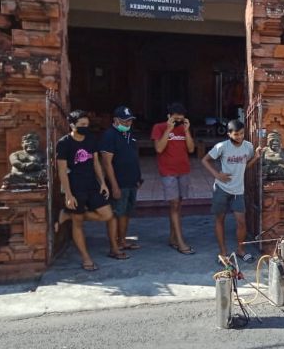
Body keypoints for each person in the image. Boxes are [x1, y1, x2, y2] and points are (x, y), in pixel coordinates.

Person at [56, 110, 128, 271]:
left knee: (107, 214)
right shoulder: (64, 143)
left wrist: (102, 182)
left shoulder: (91, 139)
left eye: (87, 125)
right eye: (81, 125)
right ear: (72, 125)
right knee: (78, 223)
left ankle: (68, 215)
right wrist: (68, 194)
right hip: (75, 187)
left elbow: (96, 162)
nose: (85, 128)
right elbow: (61, 171)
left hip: (92, 185)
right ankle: (86, 258)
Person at [201, 120, 265, 262]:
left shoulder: (248, 147)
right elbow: (205, 160)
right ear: (229, 134)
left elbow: (244, 167)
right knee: (220, 220)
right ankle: (223, 253)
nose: (239, 137)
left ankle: (241, 250)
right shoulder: (222, 147)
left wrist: (255, 157)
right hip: (221, 189)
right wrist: (217, 175)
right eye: (236, 134)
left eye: (242, 133)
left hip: (238, 191)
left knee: (241, 222)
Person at [151, 102, 195, 255]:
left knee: (178, 205)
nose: (178, 122)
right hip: (168, 171)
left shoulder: (183, 128)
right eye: (175, 119)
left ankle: (172, 237)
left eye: (181, 120)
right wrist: (168, 130)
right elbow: (159, 148)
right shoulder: (159, 127)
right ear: (168, 117)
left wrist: (187, 131)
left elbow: (191, 149)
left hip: (183, 170)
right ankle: (180, 240)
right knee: (174, 203)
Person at [100, 106, 143, 251]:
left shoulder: (131, 134)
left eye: (130, 121)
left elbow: (134, 157)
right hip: (119, 182)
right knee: (116, 213)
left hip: (131, 181)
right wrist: (114, 186)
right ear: (115, 120)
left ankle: (122, 241)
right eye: (124, 121)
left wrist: (138, 178)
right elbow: (106, 163)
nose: (127, 124)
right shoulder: (109, 135)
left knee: (126, 212)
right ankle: (114, 245)